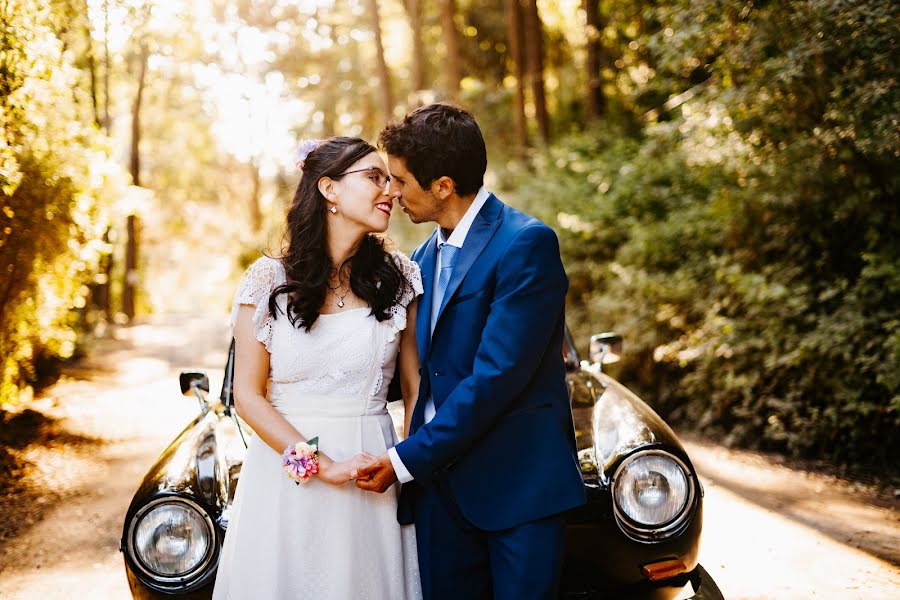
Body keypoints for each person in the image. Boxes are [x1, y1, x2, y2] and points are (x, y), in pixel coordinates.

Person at [355, 104, 587, 599]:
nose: (391, 193)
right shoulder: (420, 257)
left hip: (518, 493)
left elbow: (496, 377)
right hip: (439, 494)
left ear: (441, 185)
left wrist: (402, 460)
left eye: (399, 180)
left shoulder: (526, 245)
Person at [213, 137, 423, 599]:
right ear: (329, 189)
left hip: (376, 474)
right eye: (374, 177)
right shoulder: (267, 280)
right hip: (286, 479)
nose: (389, 189)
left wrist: (403, 464)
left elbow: (415, 388)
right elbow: (247, 397)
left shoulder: (400, 277)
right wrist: (318, 464)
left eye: (389, 179)